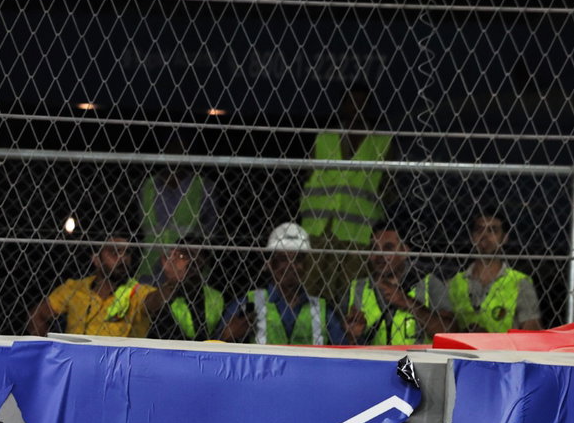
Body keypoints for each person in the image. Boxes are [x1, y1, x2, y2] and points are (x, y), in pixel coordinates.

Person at [300, 85, 392, 304]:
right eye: (352, 102)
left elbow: (389, 187)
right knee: (311, 288)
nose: (356, 108)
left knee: (350, 294)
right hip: (319, 228)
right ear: (343, 106)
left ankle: (342, 335)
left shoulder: (382, 142)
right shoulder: (325, 137)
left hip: (359, 232)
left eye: (361, 103)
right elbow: (306, 176)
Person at [219, 222, 347, 345]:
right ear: (270, 264)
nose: (291, 265)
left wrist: (353, 338)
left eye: (297, 259)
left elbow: (344, 352)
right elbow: (213, 346)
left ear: (306, 266)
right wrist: (226, 337)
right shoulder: (248, 303)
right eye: (283, 259)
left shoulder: (322, 310)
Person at [341, 225, 455, 344]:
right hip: (373, 361)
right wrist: (351, 335)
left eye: (388, 248)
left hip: (414, 361)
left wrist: (408, 303)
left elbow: (449, 334)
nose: (379, 255)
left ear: (404, 251)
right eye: (374, 248)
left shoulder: (428, 283)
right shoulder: (356, 289)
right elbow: (336, 339)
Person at [27, 236, 160, 338]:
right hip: (75, 364)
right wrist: (47, 351)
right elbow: (38, 315)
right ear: (96, 259)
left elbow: (155, 301)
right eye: (115, 252)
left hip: (117, 367)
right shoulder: (76, 288)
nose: (122, 258)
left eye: (127, 253)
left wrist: (171, 282)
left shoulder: (136, 290)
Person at [446, 211, 542, 332]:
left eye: (493, 230)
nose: (484, 236)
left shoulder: (520, 283)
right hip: (461, 350)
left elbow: (531, 331)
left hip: (503, 350)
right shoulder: (453, 284)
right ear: (472, 237)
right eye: (479, 230)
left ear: (505, 238)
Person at [146, 242, 225, 341]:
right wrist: (173, 282)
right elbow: (149, 307)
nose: (190, 263)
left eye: (195, 260)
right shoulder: (159, 291)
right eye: (182, 256)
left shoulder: (215, 296)